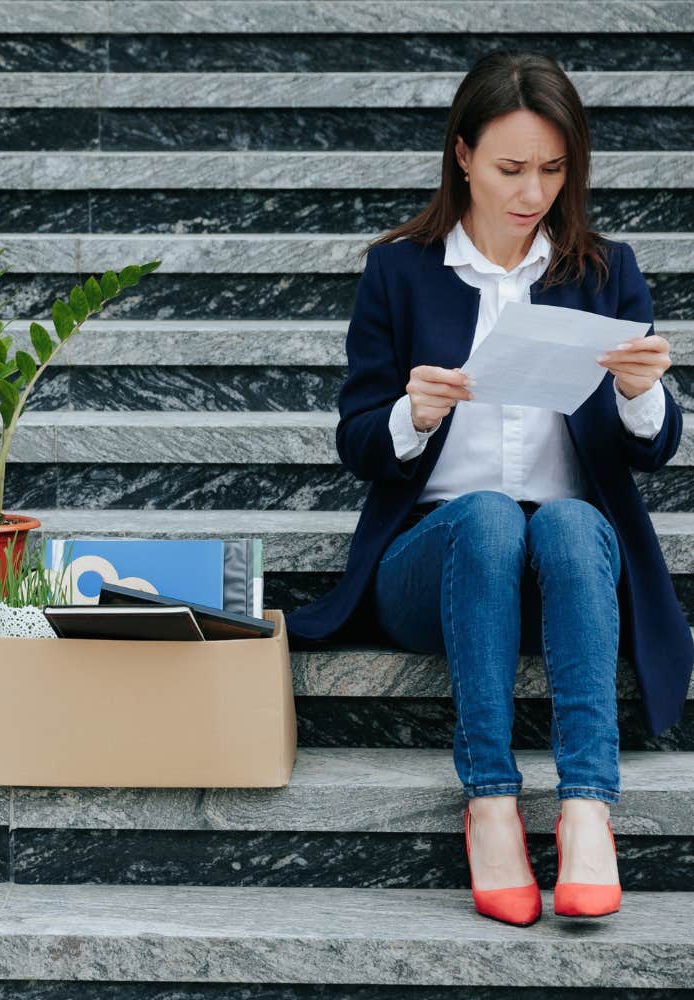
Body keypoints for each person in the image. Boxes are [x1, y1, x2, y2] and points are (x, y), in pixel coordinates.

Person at [284, 50, 692, 926]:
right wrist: (413, 415)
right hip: (437, 562)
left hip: (567, 570)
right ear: (463, 155)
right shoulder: (400, 271)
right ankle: (491, 800)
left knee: (573, 523)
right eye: (511, 167)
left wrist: (640, 391)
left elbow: (654, 449)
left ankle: (588, 807)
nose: (532, 191)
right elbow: (358, 442)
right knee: (489, 515)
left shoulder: (603, 270)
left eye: (553, 169)